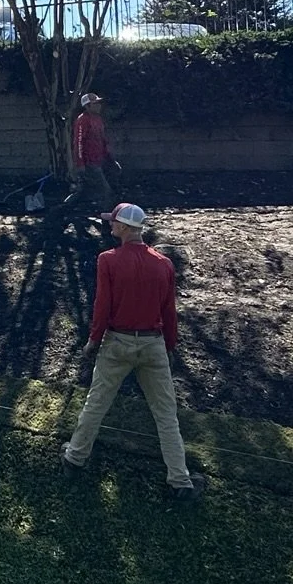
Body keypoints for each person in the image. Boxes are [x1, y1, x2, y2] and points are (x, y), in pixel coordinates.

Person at [61, 203, 198, 498]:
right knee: (166, 414)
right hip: (153, 344)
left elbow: (102, 306)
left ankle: (74, 458)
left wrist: (93, 340)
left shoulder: (107, 260)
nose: (110, 226)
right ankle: (180, 479)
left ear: (123, 227)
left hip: (117, 342)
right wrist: (170, 345)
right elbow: (169, 312)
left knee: (96, 403)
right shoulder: (164, 264)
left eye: (114, 222)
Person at [62, 93, 117, 209]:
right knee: (105, 191)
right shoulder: (82, 120)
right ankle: (104, 217)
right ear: (87, 106)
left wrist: (110, 159)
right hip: (90, 163)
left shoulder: (98, 119)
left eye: (98, 103)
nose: (99, 106)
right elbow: (79, 143)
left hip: (99, 160)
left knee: (83, 191)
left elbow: (103, 140)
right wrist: (80, 163)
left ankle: (65, 210)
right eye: (95, 104)